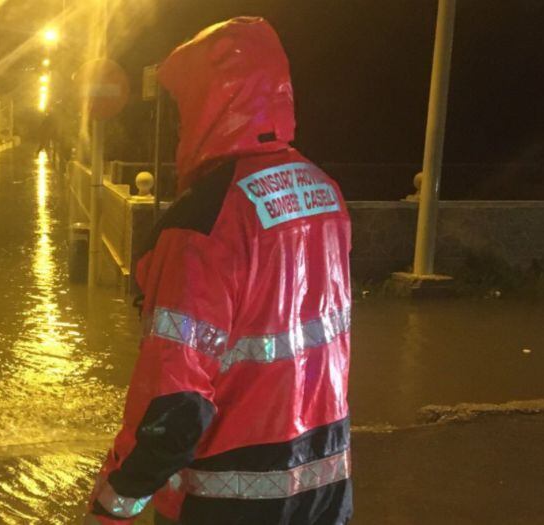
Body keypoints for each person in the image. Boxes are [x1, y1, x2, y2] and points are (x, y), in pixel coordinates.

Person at [85, 17, 353, 525]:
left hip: (230, 503)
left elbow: (177, 403)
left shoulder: (200, 224)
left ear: (209, 104)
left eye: (186, 108)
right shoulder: (325, 195)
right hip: (325, 490)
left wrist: (117, 499)